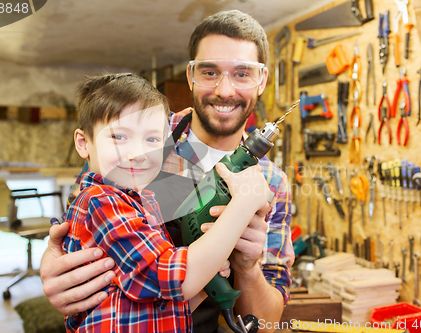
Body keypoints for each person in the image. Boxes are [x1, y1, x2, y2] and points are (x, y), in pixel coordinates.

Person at [41, 10, 294, 333]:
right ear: (190, 76)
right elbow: (79, 224)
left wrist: (247, 268)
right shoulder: (139, 135)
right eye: (209, 71)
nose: (225, 90)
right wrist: (51, 265)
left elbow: (268, 322)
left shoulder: (270, 182)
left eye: (242, 74)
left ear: (262, 81)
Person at [61, 72, 270, 332]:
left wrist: (206, 284)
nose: (138, 154)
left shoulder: (141, 201)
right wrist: (244, 203)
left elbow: (157, 302)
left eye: (151, 140)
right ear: (84, 143)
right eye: (119, 137)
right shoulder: (102, 201)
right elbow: (175, 279)